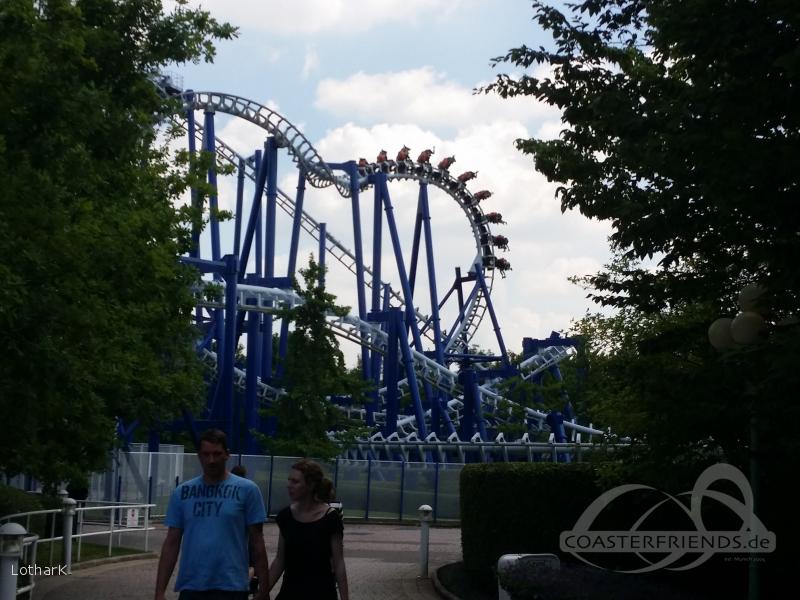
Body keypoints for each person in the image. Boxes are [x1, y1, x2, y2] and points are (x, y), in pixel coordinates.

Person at [154, 429, 270, 600]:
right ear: (199, 456)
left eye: (217, 454)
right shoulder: (182, 493)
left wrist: (264, 589)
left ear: (227, 455)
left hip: (231, 586)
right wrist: (159, 592)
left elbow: (257, 542)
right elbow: (172, 542)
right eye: (206, 454)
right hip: (192, 585)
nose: (211, 460)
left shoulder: (247, 490)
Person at [268, 460, 348, 600]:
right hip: (290, 592)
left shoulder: (330, 519)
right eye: (289, 480)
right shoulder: (286, 517)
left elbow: (339, 563)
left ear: (310, 485)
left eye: (295, 481)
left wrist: (345, 598)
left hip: (321, 592)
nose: (289, 485)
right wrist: (263, 591)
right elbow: (280, 560)